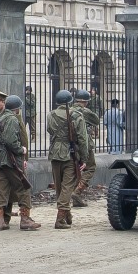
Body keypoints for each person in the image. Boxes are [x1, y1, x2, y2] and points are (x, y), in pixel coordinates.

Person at [0, 88, 36, 230]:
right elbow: (10, 140)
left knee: (0, 189)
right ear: (17, 109)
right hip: (10, 159)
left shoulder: (0, 117)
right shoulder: (12, 119)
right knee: (23, 187)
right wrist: (21, 150)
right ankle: (25, 219)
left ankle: (0, 222)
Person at [46, 89, 92, 229]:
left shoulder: (50, 115)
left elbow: (49, 130)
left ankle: (66, 214)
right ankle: (60, 219)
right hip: (70, 154)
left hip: (55, 153)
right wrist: (84, 158)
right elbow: (83, 139)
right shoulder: (76, 115)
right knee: (67, 187)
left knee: (59, 186)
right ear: (70, 101)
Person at [70, 89, 102, 206]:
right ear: (86, 102)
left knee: (75, 170)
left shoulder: (69, 110)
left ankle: (74, 198)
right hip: (84, 144)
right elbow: (96, 120)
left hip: (70, 145)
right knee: (90, 167)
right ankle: (77, 192)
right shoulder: (84, 111)